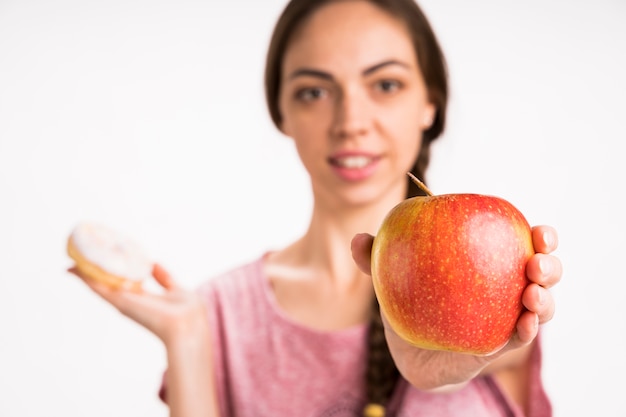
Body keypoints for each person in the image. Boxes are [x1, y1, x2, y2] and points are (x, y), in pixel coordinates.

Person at [71, 0, 563, 416]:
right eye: (314, 91)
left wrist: (448, 362)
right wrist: (188, 336)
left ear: (429, 103)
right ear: (281, 111)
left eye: (385, 85)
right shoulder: (218, 313)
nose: (351, 121)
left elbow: (463, 369)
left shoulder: (500, 286)